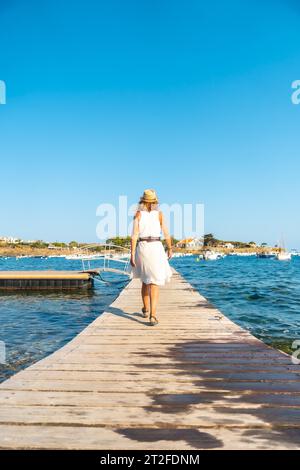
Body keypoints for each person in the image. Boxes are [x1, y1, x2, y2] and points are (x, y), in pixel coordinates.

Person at [130, 189, 173, 326]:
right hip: (156, 246)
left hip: (143, 247)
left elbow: (134, 236)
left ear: (143, 201)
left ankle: (146, 309)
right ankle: (153, 315)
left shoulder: (138, 214)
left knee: (145, 281)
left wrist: (131, 254)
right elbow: (166, 233)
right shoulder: (159, 215)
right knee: (154, 283)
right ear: (155, 202)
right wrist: (170, 248)